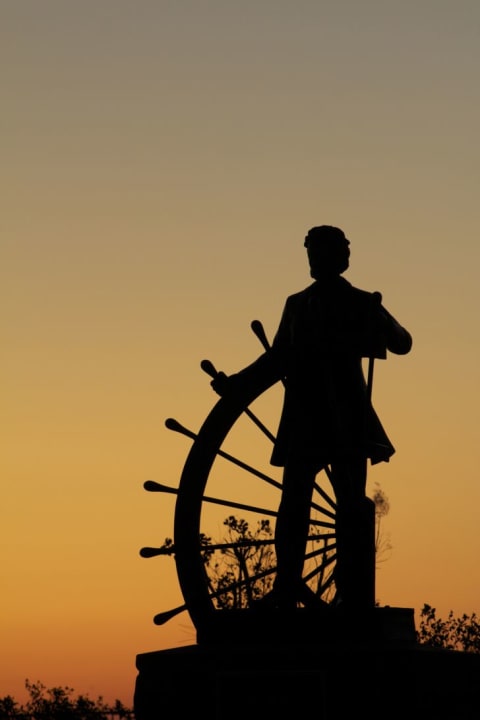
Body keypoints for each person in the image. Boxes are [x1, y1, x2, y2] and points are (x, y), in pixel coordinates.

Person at [212, 225, 412, 609]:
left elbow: (402, 343)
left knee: (347, 504)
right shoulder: (297, 303)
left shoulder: (359, 301)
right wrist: (236, 383)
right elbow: (276, 360)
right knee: (297, 500)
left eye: (318, 252)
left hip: (343, 417)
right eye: (309, 252)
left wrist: (379, 315)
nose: (312, 260)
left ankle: (349, 594)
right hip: (311, 417)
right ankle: (289, 586)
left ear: (338, 257)